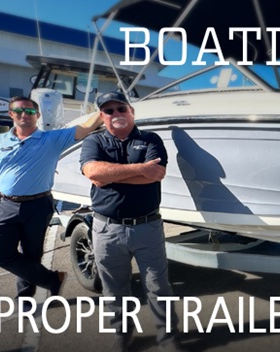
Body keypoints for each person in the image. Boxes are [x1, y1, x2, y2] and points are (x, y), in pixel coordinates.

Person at [79, 92, 181, 351]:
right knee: (114, 287)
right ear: (102, 116)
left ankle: (167, 338)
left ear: (131, 111)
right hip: (106, 228)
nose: (116, 114)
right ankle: (122, 334)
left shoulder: (150, 139)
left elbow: (156, 173)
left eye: (121, 108)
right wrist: (139, 169)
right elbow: (92, 171)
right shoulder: (94, 141)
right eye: (109, 111)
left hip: (147, 226)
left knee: (158, 286)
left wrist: (110, 175)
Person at [0, 96, 102, 304]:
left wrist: (107, 108)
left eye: (30, 111)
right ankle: (53, 279)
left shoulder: (51, 139)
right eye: (18, 111)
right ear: (11, 114)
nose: (24, 115)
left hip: (38, 205)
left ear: (38, 115)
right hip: (5, 204)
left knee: (31, 254)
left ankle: (24, 299)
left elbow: (85, 127)